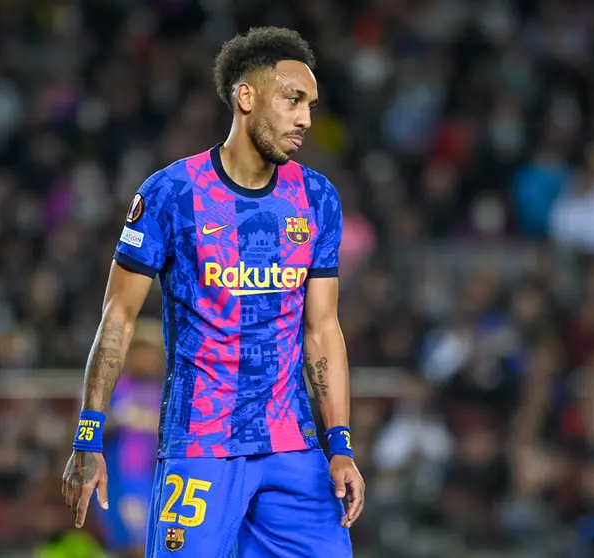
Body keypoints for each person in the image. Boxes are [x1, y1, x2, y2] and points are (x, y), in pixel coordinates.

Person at [61, 26, 364, 557]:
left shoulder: (317, 199)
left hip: (292, 449)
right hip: (200, 447)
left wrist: (339, 443)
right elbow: (118, 318)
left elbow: (322, 329)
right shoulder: (170, 194)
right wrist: (88, 435)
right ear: (246, 98)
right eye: (293, 101)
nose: (305, 120)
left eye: (311, 106)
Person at [93, 320, 164, 557]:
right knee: (132, 544)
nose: (146, 358)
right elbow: (89, 428)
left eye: (150, 352)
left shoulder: (167, 389)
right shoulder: (115, 388)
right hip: (123, 479)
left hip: (157, 478)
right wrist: (115, 420)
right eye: (140, 351)